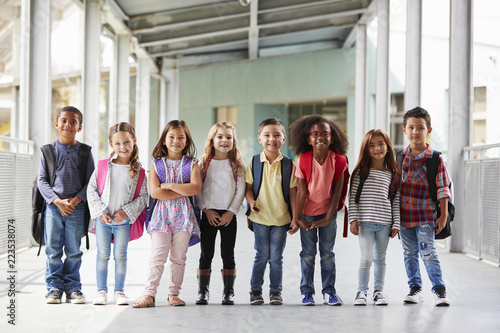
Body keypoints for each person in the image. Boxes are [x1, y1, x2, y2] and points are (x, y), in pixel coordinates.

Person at [133, 120, 201, 308]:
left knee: (179, 258)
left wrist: (170, 185)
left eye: (181, 137)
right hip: (161, 218)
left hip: (184, 219)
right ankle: (149, 294)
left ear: (187, 141)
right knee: (157, 257)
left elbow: (195, 188)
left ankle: (173, 294)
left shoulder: (193, 164)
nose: (176, 141)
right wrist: (183, 190)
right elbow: (155, 192)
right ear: (164, 140)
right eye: (171, 137)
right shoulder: (156, 165)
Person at [289, 114, 348, 306]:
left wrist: (328, 217)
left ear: (332, 137)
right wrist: (297, 217)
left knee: (327, 253)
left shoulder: (339, 161)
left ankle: (329, 292)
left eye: (325, 133)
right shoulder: (303, 160)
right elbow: (301, 191)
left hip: (328, 212)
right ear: (308, 138)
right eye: (315, 134)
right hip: (306, 212)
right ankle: (307, 293)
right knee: (307, 253)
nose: (320, 137)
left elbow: (337, 192)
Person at [38, 106, 95, 304]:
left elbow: (91, 181)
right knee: (53, 250)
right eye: (64, 121)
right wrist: (57, 201)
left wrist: (76, 200)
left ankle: (73, 288)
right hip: (54, 208)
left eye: (73, 122)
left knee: (74, 250)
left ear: (79, 127)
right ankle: (54, 288)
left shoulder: (86, 152)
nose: (68, 125)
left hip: (76, 208)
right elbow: (42, 181)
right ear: (56, 124)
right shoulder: (47, 151)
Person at [87, 122, 148, 306]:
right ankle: (101, 291)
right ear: (111, 144)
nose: (123, 147)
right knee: (102, 255)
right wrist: (100, 212)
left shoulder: (140, 171)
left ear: (134, 141)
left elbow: (144, 196)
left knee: (121, 255)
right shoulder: (103, 166)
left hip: (123, 221)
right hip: (103, 220)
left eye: (127, 142)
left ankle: (119, 291)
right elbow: (91, 190)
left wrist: (126, 212)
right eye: (118, 143)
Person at [399, 107, 451, 306]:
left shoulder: (435, 158)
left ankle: (439, 290)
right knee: (409, 253)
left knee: (428, 253)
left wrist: (443, 215)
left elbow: (442, 188)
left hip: (425, 216)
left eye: (420, 128)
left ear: (428, 130)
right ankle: (415, 288)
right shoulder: (400, 157)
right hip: (404, 217)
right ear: (404, 129)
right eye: (411, 127)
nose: (415, 132)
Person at [246, 117, 298, 305]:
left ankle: (275, 291)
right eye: (267, 135)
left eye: (277, 135)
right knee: (262, 255)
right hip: (259, 218)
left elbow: (293, 192)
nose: (272, 139)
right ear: (259, 138)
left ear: (283, 139)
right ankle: (255, 291)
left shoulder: (289, 164)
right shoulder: (253, 162)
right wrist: (251, 203)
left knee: (276, 257)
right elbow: (248, 188)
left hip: (281, 219)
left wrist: (295, 217)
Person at [195, 122, 245, 305]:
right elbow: (197, 189)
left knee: (228, 253)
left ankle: (228, 292)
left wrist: (231, 212)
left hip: (228, 216)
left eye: (229, 137)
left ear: (233, 141)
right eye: (220, 137)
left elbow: (240, 191)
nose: (224, 140)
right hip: (208, 215)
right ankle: (202, 291)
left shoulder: (237, 165)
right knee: (206, 253)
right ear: (212, 140)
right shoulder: (203, 164)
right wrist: (206, 210)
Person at [349, 129, 400, 306]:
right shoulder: (360, 173)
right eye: (372, 145)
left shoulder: (392, 174)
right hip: (366, 223)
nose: (377, 148)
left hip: (385, 224)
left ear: (387, 147)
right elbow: (353, 197)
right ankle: (361, 291)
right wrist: (352, 219)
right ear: (366, 149)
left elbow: (395, 201)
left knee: (380, 258)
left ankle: (378, 292)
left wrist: (397, 223)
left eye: (380, 144)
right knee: (366, 258)